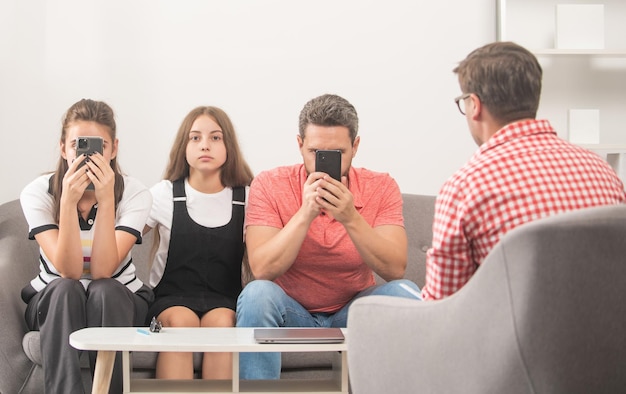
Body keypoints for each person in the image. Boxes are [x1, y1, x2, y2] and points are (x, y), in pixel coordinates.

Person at [421, 41, 626, 301]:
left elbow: (442, 305)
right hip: (609, 337)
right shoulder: (603, 172)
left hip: (517, 340)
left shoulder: (465, 186)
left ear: (475, 105)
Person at [236, 93, 421, 379]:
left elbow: (395, 269)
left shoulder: (381, 186)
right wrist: (305, 213)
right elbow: (261, 270)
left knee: (406, 293)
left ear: (355, 146)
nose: (324, 163)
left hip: (353, 312)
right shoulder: (269, 184)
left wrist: (350, 217)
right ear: (300, 145)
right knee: (256, 294)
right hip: (291, 311)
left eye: (337, 154)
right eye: (316, 153)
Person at [19, 99, 153, 393]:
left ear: (113, 149)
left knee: (103, 289)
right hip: (54, 297)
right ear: (64, 148)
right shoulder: (38, 192)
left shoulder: (134, 192)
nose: (88, 156)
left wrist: (106, 201)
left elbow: (104, 270)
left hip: (120, 297)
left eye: (99, 146)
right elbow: (68, 270)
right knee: (67, 288)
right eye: (78, 145)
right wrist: (67, 201)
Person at [144, 106, 254, 380]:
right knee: (182, 323)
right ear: (184, 146)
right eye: (195, 138)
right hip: (171, 299)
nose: (205, 145)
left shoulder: (247, 197)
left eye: (215, 138)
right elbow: (120, 239)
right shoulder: (164, 194)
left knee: (223, 325)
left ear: (229, 145)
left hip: (225, 300)